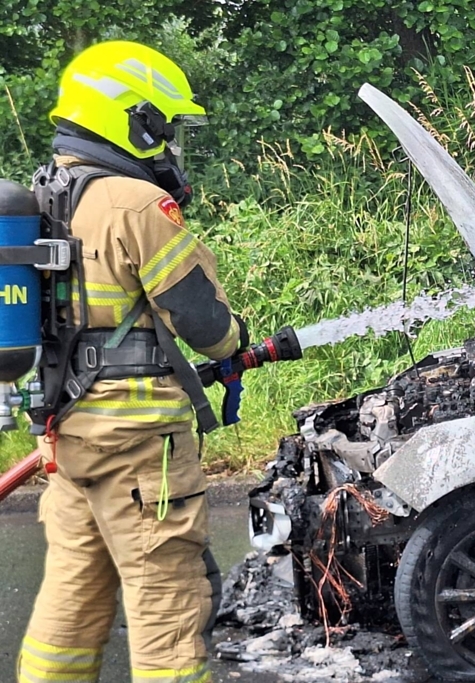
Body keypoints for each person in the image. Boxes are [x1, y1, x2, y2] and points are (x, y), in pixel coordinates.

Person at [18, 41, 244, 683]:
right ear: (132, 120)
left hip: (71, 441)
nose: (170, 143)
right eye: (164, 127)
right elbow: (204, 325)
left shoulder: (44, 196)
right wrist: (235, 344)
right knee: (168, 608)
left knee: (69, 607)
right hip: (143, 452)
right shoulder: (135, 205)